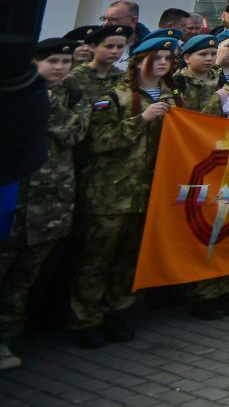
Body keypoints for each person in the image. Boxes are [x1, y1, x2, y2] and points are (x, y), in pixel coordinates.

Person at [69, 33, 179, 346]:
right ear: (139, 61)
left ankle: (116, 311)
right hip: (110, 192)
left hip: (149, 191)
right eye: (155, 58)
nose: (162, 64)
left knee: (129, 257)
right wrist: (140, 119)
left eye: (167, 59)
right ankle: (85, 319)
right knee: (96, 259)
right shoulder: (114, 96)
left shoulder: (171, 95)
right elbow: (100, 141)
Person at [0, 38, 87, 370]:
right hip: (13, 199)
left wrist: (48, 107)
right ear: (34, 63)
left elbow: (75, 133)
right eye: (52, 61)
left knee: (23, 279)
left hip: (51, 202)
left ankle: (5, 339)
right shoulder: (16, 95)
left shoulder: (73, 95)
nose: (60, 68)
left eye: (65, 62)